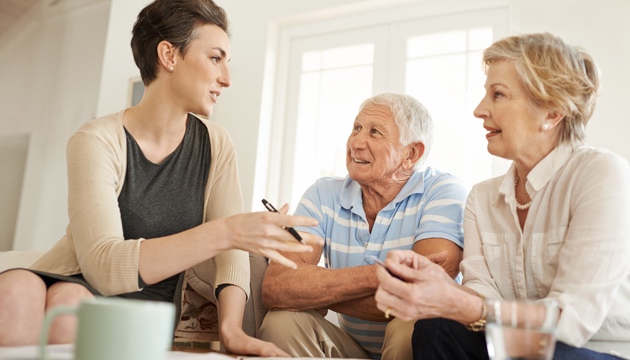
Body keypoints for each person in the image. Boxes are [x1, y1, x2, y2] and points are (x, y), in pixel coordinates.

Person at [0, 0, 322, 356]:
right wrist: (227, 230)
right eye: (216, 58)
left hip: (144, 303)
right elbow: (103, 267)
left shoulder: (216, 144)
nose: (227, 78)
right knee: (16, 291)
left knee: (70, 309)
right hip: (80, 275)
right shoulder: (95, 141)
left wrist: (231, 329)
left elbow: (231, 255)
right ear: (169, 55)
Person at [374, 32, 630, 359]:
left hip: (590, 350)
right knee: (434, 327)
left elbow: (573, 323)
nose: (480, 110)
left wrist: (461, 302)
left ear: (552, 112)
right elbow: (480, 299)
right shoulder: (481, 198)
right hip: (518, 347)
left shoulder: (601, 174)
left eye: (498, 95)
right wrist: (441, 288)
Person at [258, 93, 468, 359]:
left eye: (375, 132)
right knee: (282, 321)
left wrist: (315, 292)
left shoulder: (444, 191)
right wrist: (381, 276)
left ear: (411, 153)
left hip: (421, 344)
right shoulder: (323, 193)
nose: (356, 142)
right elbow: (278, 287)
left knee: (411, 324)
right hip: (350, 348)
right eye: (356, 128)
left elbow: (423, 293)